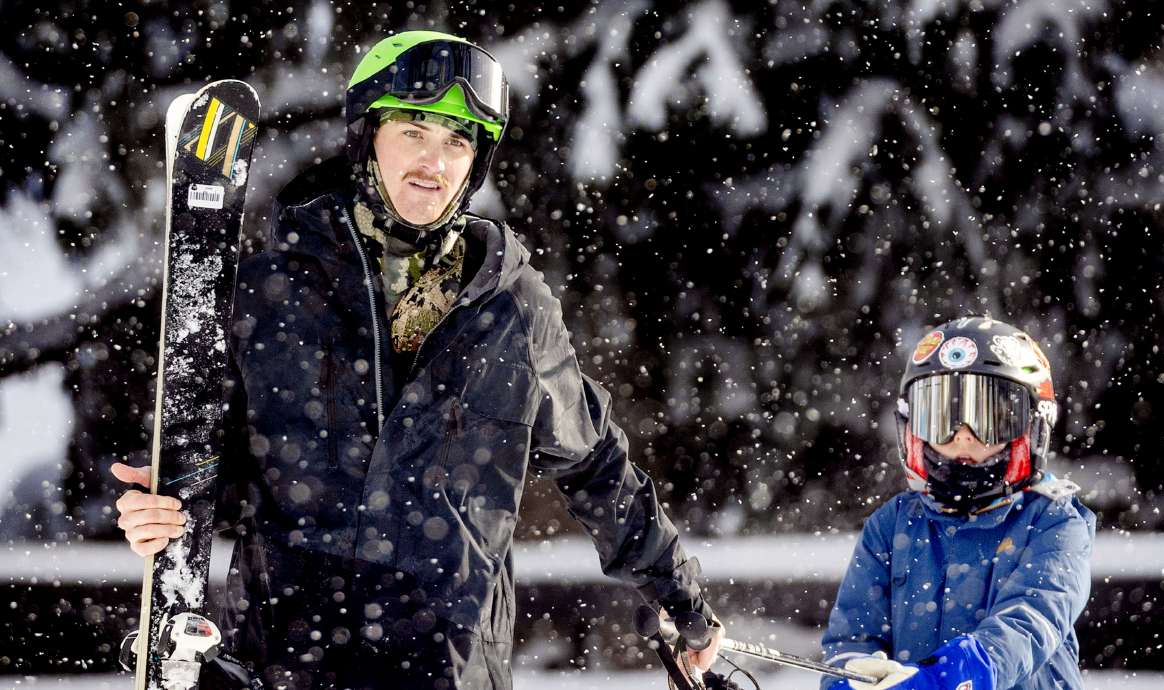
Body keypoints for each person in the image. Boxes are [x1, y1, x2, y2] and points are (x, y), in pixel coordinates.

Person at [111, 29, 724, 690]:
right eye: (414, 132)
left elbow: (596, 461)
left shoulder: (512, 309)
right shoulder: (278, 288)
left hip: (449, 667)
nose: (434, 162)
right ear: (367, 137)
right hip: (289, 659)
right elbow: (224, 462)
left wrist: (682, 598)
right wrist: (170, 506)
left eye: (457, 141)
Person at [821, 317, 1095, 690]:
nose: (963, 437)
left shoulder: (1055, 523)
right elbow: (852, 637)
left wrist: (953, 675)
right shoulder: (892, 525)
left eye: (990, 417)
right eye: (941, 418)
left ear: (1031, 427)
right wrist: (850, 678)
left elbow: (1029, 622)